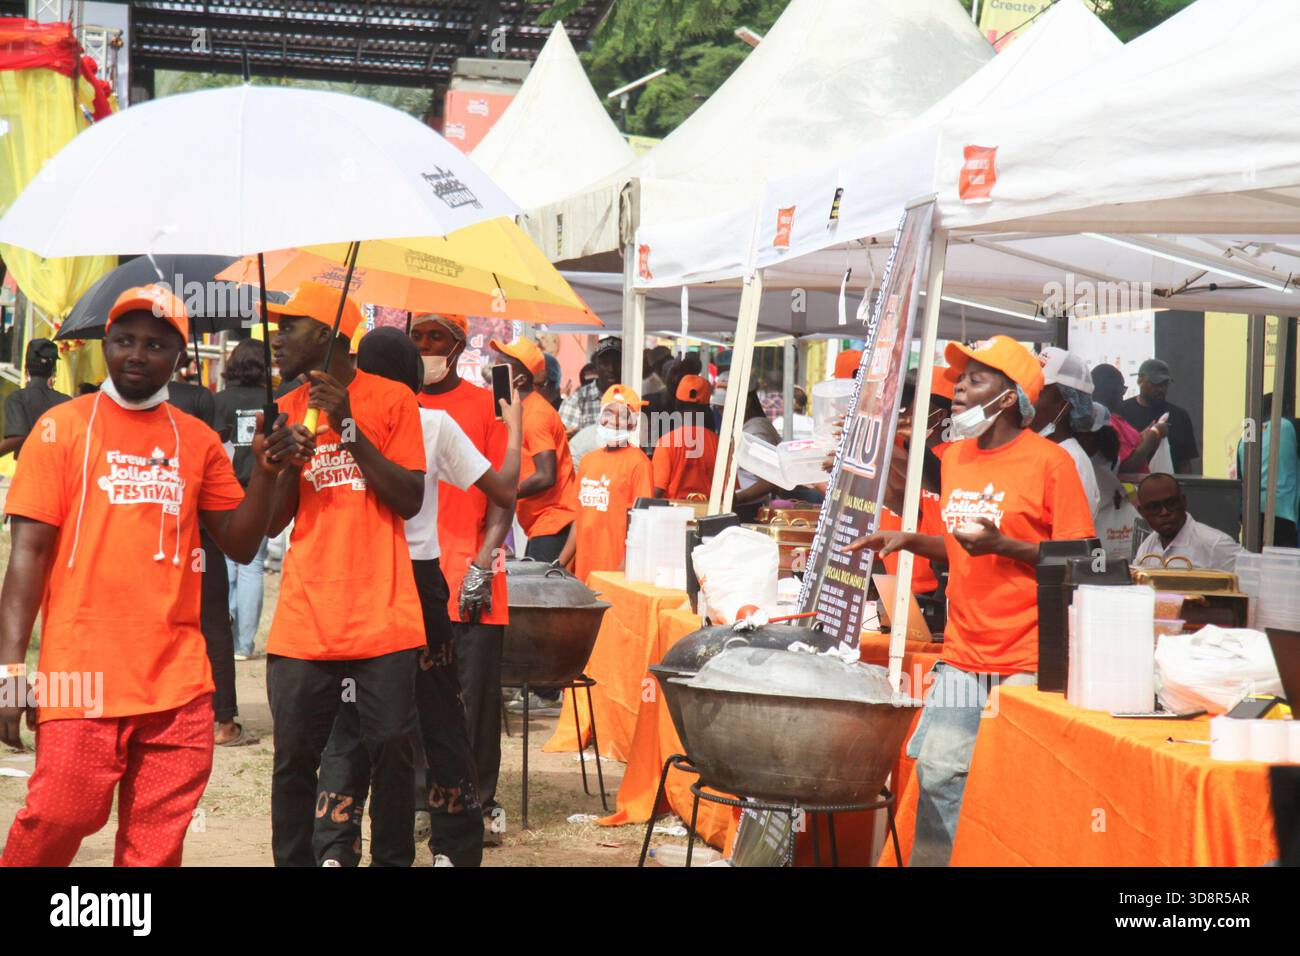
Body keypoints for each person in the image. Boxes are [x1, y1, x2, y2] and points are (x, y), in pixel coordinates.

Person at [0, 284, 300, 866]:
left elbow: (239, 544)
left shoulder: (198, 441)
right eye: (124, 340)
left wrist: (266, 473)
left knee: (154, 846)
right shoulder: (61, 429)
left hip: (178, 682)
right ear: (106, 344)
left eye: (155, 344)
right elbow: (27, 557)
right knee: (62, 811)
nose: (137, 354)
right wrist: (11, 673)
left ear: (179, 356)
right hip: (77, 673)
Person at [845, 335, 1095, 867]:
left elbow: (1086, 561)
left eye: (975, 379)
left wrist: (1008, 546)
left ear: (1008, 399)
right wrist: (911, 539)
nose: (958, 387)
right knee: (938, 773)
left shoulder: (1051, 464)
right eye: (960, 377)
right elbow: (963, 543)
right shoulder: (954, 458)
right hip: (963, 655)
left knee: (1015, 783)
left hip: (1031, 660)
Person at [313, 328, 522, 867]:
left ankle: (335, 846)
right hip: (422, 581)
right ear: (412, 377)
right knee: (439, 714)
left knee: (352, 714)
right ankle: (453, 846)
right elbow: (503, 490)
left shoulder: (331, 429)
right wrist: (513, 426)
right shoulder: (432, 424)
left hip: (360, 582)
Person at [262, 281, 427, 868]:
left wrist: (347, 427)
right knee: (293, 758)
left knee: (390, 749)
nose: (276, 338)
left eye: (289, 326)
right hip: (305, 617)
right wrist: (284, 465)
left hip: (382, 614)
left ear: (329, 334)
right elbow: (275, 521)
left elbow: (409, 498)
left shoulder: (392, 400)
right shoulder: (283, 407)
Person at [407, 314, 512, 839]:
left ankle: (478, 801)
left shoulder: (486, 406)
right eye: (417, 337)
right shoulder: (397, 405)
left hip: (471, 574)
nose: (425, 347)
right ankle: (429, 801)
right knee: (416, 698)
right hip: (412, 578)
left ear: (457, 347)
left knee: (474, 700)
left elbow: (503, 494)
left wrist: (483, 561)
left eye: (436, 338)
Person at [167, 355, 242, 747]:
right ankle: (224, 718)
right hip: (204, 530)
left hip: (163, 535)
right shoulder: (200, 401)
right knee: (214, 623)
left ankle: (169, 711)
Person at [493, 336, 577, 562]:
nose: (495, 369)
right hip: (541, 524)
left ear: (520, 379)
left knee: (544, 594)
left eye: (502, 364)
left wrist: (503, 493)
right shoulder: (521, 409)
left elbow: (546, 475)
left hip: (553, 523)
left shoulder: (536, 414)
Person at [558, 384, 653, 583]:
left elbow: (640, 524)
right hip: (583, 573)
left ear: (633, 424)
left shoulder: (639, 463)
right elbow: (580, 517)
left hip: (614, 575)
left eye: (623, 416)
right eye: (609, 413)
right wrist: (561, 562)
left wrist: (622, 571)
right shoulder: (587, 461)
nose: (614, 421)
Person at [214, 339, 272, 660]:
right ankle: (245, 644)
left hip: (225, 491)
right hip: (261, 491)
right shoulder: (272, 400)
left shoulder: (219, 401)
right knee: (252, 566)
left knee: (227, 565)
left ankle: (230, 635)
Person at [1031, 347, 1101, 520]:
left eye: (1037, 391)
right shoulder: (1034, 451)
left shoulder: (1072, 461)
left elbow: (1070, 539)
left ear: (1066, 403)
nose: (1027, 398)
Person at [1134, 473, 1245, 571]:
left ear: (1183, 502)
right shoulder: (1148, 545)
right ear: (1142, 512)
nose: (1164, 512)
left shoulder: (1214, 543)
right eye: (1154, 507)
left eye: (1171, 503)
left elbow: (1256, 576)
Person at [1236, 394, 1299, 548]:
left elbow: (1240, 480)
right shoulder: (1289, 426)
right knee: (1282, 566)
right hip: (1282, 513)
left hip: (1251, 513)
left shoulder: (1245, 437)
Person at [1120, 358, 1199, 474]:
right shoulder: (1122, 412)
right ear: (1140, 380)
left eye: (1165, 384)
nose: (1161, 389)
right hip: (1132, 488)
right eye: (1155, 383)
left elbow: (1185, 463)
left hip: (1169, 488)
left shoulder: (1180, 416)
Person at [0, 338, 70, 460]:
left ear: (26, 369)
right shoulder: (67, 402)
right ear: (53, 371)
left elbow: (18, 437)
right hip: (59, 471)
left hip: (29, 471)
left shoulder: (17, 399)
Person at [652, 374, 718, 499]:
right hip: (711, 516)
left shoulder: (666, 442)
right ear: (706, 409)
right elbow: (729, 492)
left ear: (677, 406)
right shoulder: (719, 444)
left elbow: (657, 491)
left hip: (673, 515)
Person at [1090, 363, 1163, 473]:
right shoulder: (1103, 423)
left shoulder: (1114, 418)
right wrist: (1152, 437)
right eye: (1122, 389)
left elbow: (1128, 446)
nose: (1123, 395)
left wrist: (1141, 438)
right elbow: (1125, 467)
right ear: (1110, 391)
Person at [559, 337, 620, 437]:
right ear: (596, 366)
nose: (611, 369)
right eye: (605, 363)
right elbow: (563, 439)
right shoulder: (577, 400)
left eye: (617, 362)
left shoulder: (633, 398)